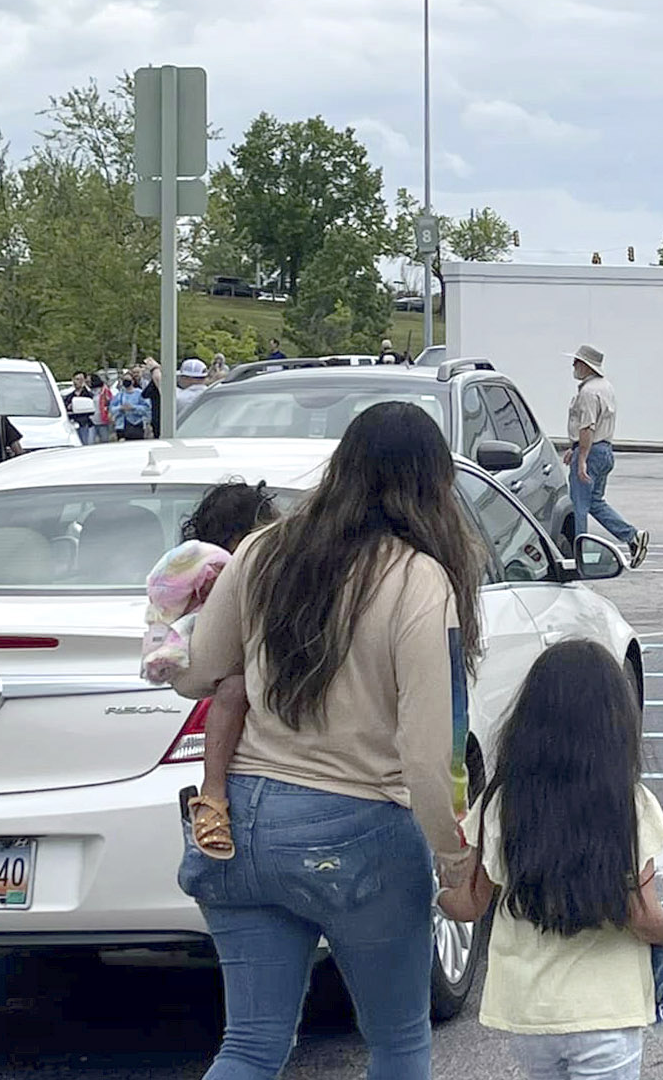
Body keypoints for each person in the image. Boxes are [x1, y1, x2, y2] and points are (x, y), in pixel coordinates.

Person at [172, 402, 486, 1080]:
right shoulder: (418, 579)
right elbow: (430, 760)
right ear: (432, 485)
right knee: (398, 1042)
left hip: (245, 824)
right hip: (362, 831)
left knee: (250, 1045)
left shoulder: (262, 550)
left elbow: (196, 673)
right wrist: (457, 869)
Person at [437, 640, 663, 1079]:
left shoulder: (500, 805)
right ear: (615, 725)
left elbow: (469, 905)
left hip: (532, 1019)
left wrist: (435, 896)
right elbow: (642, 915)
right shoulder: (629, 805)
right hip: (605, 1015)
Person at [139, 480, 281, 861]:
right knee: (233, 692)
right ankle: (212, 792)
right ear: (240, 538)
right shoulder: (212, 566)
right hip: (222, 666)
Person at [565, 345, 650, 567]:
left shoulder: (588, 392)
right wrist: (574, 448)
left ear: (585, 366)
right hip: (604, 450)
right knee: (595, 501)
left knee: (579, 505)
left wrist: (581, 457)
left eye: (576, 362)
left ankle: (579, 555)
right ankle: (631, 535)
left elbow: (588, 427)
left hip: (591, 451)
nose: (573, 366)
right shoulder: (605, 387)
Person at [64, 372, 98, 445]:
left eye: (80, 379)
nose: (77, 382)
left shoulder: (89, 395)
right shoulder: (69, 396)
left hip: (86, 424)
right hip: (74, 424)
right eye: (76, 379)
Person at [117, 370, 152, 442]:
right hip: (124, 425)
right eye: (124, 380)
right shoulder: (120, 394)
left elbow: (147, 409)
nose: (126, 382)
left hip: (138, 424)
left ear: (133, 381)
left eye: (128, 380)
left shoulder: (140, 393)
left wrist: (133, 407)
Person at [142, 359, 164, 439]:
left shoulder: (159, 383)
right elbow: (144, 394)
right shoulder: (152, 386)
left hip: (159, 414)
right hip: (155, 414)